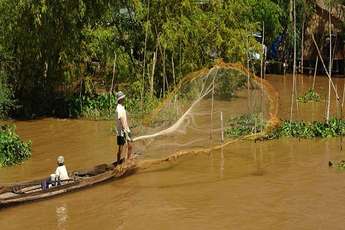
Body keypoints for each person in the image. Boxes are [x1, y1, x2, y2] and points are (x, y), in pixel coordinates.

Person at [115, 91, 133, 165]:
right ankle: (118, 164)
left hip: (126, 129)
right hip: (122, 132)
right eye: (123, 98)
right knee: (120, 149)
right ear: (120, 99)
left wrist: (127, 130)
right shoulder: (118, 109)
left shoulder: (122, 107)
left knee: (130, 146)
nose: (124, 99)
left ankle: (127, 160)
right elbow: (121, 120)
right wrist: (126, 133)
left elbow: (124, 119)